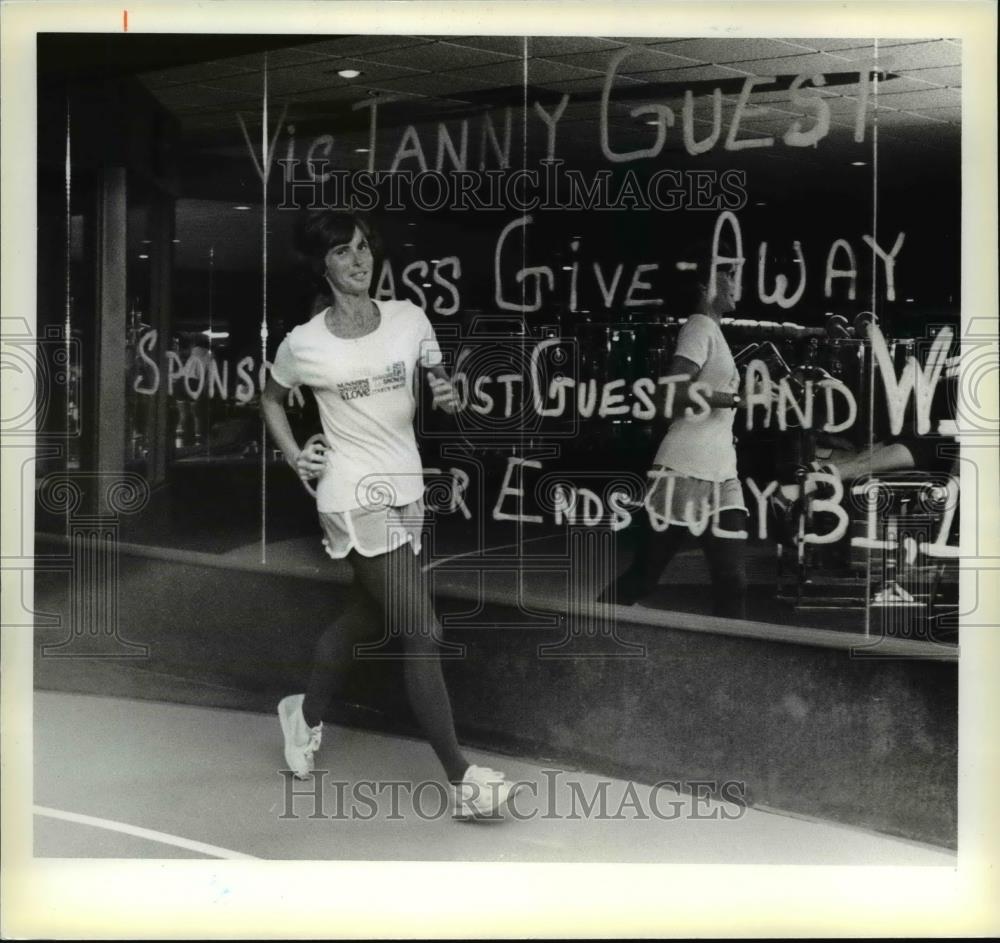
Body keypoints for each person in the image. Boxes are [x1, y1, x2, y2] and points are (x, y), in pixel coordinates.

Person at [261, 210, 517, 821]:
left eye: (363, 249)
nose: (359, 261)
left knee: (366, 611)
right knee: (421, 630)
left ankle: (304, 712)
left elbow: (437, 384)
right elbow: (271, 399)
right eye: (344, 252)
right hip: (351, 495)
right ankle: (463, 779)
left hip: (406, 490)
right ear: (322, 263)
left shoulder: (409, 318)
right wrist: (298, 454)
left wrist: (449, 393)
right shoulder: (304, 343)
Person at [599, 253, 749, 619]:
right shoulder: (698, 327)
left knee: (732, 580)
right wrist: (735, 399)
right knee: (645, 575)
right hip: (684, 469)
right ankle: (592, 624)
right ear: (705, 286)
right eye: (727, 274)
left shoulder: (713, 331)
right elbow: (672, 393)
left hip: (722, 472)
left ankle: (734, 663)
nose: (735, 283)